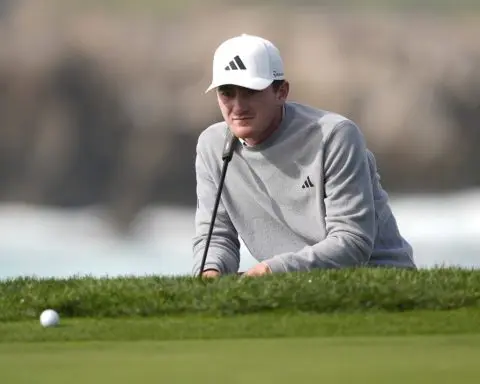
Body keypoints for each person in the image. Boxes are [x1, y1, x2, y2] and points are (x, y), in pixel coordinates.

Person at [192, 33, 415, 278]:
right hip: (287, 281)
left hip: (378, 277)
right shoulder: (211, 146)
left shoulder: (335, 135)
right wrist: (209, 273)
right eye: (226, 92)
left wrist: (270, 270)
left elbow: (352, 242)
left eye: (250, 91)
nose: (238, 106)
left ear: (281, 92)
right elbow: (216, 236)